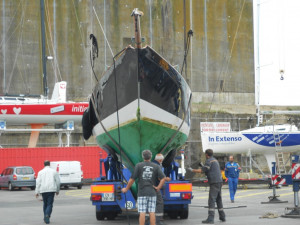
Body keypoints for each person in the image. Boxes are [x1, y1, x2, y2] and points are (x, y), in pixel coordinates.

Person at [122, 150, 166, 225]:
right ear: (151, 157)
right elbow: (163, 178)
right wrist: (158, 187)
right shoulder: (156, 166)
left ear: (143, 157)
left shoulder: (138, 166)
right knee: (152, 212)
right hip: (152, 192)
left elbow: (132, 179)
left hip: (142, 192)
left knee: (142, 212)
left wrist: (126, 189)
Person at [188, 149, 225, 224]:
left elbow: (202, 170)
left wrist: (192, 170)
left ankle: (210, 219)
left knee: (211, 200)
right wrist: (203, 166)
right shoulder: (215, 160)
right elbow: (209, 169)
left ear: (206, 155)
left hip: (214, 182)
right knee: (218, 199)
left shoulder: (209, 161)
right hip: (219, 181)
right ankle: (222, 216)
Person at [145, 154, 171, 225]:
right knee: (159, 203)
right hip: (154, 187)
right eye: (161, 161)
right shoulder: (157, 166)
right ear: (160, 160)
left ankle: (147, 221)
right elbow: (159, 177)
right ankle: (157, 221)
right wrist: (166, 179)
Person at [35, 160, 60, 224]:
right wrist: (57, 190)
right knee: (50, 204)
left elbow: (38, 182)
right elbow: (58, 181)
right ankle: (47, 215)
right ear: (49, 164)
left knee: (45, 204)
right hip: (51, 190)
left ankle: (45, 216)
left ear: (44, 165)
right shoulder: (54, 171)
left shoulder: (40, 172)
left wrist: (36, 192)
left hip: (43, 190)